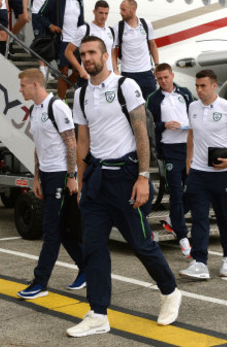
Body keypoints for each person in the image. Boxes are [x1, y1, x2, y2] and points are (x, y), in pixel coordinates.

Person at [67, 36, 181, 337]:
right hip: (95, 180)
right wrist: (79, 180)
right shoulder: (80, 94)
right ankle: (98, 313)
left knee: (141, 244)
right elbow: (83, 141)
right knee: (93, 248)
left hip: (126, 178)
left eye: (92, 52)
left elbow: (141, 133)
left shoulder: (125, 86)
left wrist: (144, 177)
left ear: (105, 55)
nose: (87, 57)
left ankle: (170, 292)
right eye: (83, 54)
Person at [16, 68, 86, 299]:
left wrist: (71, 176)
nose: (21, 89)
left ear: (36, 85)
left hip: (60, 175)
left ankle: (40, 282)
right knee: (62, 229)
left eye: (23, 85)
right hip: (46, 175)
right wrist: (36, 177)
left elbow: (71, 143)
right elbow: (38, 145)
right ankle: (86, 268)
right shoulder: (34, 110)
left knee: (50, 229)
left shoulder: (56, 107)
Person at [179, 69, 227, 280]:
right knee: (199, 218)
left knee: (226, 217)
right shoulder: (193, 106)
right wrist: (189, 161)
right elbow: (191, 135)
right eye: (197, 86)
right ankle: (199, 262)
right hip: (198, 173)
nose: (198, 90)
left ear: (214, 86)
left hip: (221, 173)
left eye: (203, 86)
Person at [146, 63, 194, 258]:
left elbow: (195, 114)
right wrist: (164, 124)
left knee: (194, 189)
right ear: (156, 79)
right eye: (159, 78)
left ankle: (173, 220)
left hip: (189, 147)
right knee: (175, 191)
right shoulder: (154, 99)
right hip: (170, 149)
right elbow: (150, 125)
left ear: (172, 76)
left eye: (166, 77)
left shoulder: (185, 93)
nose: (163, 81)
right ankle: (182, 237)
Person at [38, 0, 84, 100]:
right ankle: (62, 100)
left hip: (75, 43)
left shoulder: (79, 1)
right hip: (62, 41)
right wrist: (50, 26)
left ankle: (60, 92)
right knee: (63, 73)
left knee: (77, 72)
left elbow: (81, 23)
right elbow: (41, 14)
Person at [21, 0, 63, 77]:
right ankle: (42, 69)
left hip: (51, 16)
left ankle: (46, 68)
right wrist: (24, 10)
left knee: (50, 42)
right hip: (37, 14)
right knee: (40, 40)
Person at [112, 0, 159, 100]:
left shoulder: (146, 24)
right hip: (128, 74)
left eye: (123, 10)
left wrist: (157, 65)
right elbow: (113, 50)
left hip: (146, 74)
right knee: (130, 106)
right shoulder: (117, 28)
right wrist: (115, 69)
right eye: (120, 9)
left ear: (132, 10)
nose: (120, 12)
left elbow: (152, 45)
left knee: (150, 106)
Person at [63, 0, 115, 88]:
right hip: (89, 78)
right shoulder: (84, 29)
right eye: (101, 13)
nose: (103, 16)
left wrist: (115, 71)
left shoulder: (110, 30)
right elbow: (68, 52)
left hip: (108, 79)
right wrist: (81, 70)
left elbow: (111, 53)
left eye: (106, 13)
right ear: (94, 12)